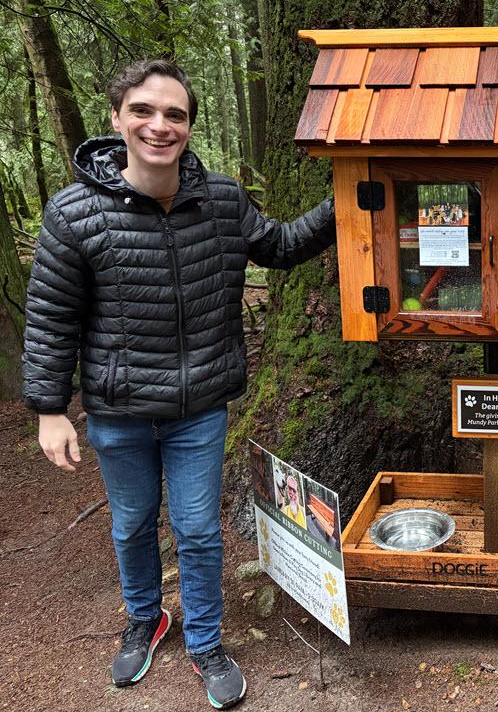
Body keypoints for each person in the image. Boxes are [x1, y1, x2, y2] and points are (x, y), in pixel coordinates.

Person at [22, 59, 336, 710]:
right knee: (133, 525)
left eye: (174, 114)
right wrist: (50, 408)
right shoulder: (74, 212)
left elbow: (278, 245)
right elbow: (51, 314)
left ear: (190, 126)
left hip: (199, 409)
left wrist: (348, 202)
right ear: (117, 117)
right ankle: (145, 620)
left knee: (196, 530)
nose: (158, 125)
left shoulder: (220, 200)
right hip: (119, 410)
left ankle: (205, 642)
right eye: (143, 110)